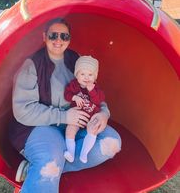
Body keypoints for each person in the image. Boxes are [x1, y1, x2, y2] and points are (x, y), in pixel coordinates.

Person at [9, 17, 121, 193]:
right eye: (53, 35)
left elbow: (92, 91)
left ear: (69, 39)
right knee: (50, 164)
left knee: (111, 143)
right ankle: (44, 164)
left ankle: (34, 168)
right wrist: (64, 116)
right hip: (40, 126)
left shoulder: (74, 59)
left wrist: (104, 113)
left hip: (76, 122)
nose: (58, 40)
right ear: (44, 37)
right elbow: (23, 109)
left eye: (64, 36)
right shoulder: (32, 64)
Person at [64, 55, 106, 163]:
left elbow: (98, 101)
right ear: (77, 75)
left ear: (95, 77)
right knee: (70, 131)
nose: (86, 77)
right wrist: (74, 97)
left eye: (90, 74)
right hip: (76, 117)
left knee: (93, 131)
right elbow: (66, 94)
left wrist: (91, 91)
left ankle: (84, 154)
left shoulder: (96, 89)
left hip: (91, 116)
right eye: (82, 74)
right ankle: (71, 154)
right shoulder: (73, 85)